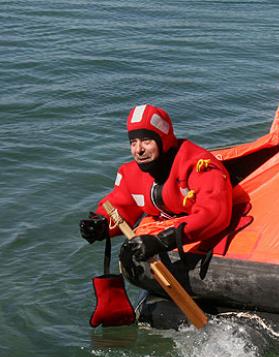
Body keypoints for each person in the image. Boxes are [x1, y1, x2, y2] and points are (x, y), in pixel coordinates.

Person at [79, 104, 232, 266]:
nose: (139, 150)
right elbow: (120, 206)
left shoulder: (197, 166)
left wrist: (163, 240)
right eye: (133, 142)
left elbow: (214, 212)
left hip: (200, 228)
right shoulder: (131, 174)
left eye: (146, 141)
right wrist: (101, 223)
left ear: (163, 141)